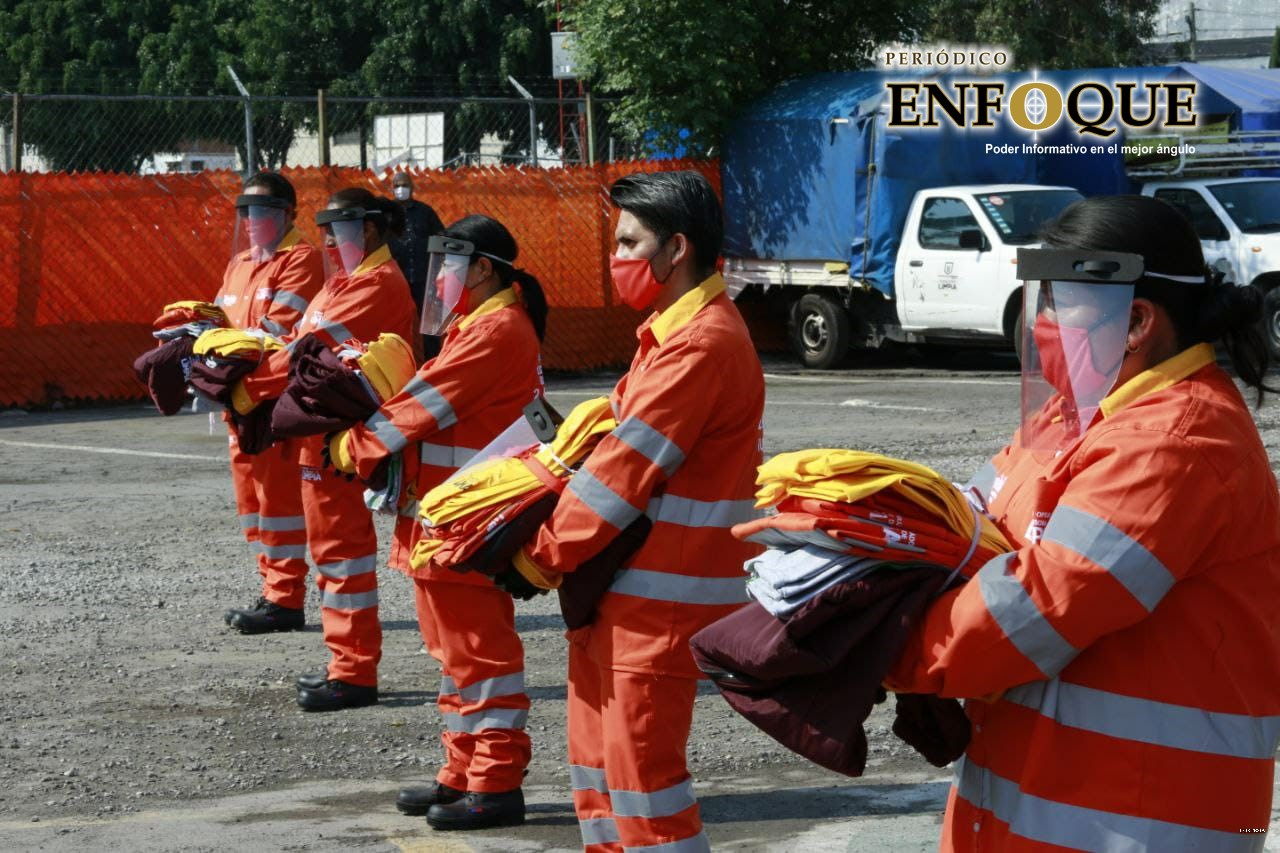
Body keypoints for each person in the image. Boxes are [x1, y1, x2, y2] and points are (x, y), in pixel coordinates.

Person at [886, 195, 1280, 851]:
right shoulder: (1073, 417)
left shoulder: (1176, 441)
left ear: (1136, 322)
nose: (1040, 322)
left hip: (1134, 818)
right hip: (1044, 804)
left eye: (1057, 302)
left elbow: (1034, 604)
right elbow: (967, 527)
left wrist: (885, 646)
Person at [510, 171, 765, 852]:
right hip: (623, 595)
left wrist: (539, 555)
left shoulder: (700, 342)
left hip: (657, 608)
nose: (616, 257)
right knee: (601, 784)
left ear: (675, 248)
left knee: (646, 793)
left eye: (628, 241)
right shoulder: (669, 332)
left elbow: (621, 475)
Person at [326, 214, 547, 829]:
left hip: (467, 523)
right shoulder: (475, 325)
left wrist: (353, 447)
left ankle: (496, 782)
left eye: (451, 262)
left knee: (480, 656)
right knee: (453, 657)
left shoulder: (496, 330)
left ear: (482, 269)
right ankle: (461, 772)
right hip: (444, 520)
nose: (440, 276)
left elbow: (425, 403)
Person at [234, 187, 418, 711]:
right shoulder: (344, 281)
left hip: (343, 439)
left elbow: (305, 353)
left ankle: (354, 672)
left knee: (342, 553)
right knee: (330, 551)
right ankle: (346, 665)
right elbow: (297, 345)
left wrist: (249, 385)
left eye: (341, 231)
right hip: (320, 434)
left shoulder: (377, 284)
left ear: (372, 231)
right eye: (329, 232)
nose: (332, 242)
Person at [219, 172, 324, 635]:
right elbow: (221, 324)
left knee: (278, 500)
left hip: (271, 398)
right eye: (246, 211)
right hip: (237, 399)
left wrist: (220, 356)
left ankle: (285, 599)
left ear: (288, 213)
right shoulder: (242, 262)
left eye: (263, 210)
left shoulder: (301, 259)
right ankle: (271, 589)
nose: (252, 219)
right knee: (252, 501)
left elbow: (278, 333)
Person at [388, 171, 446, 359]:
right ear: (391, 188)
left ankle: (432, 362)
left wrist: (440, 266)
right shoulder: (387, 214)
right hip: (397, 277)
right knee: (396, 321)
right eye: (397, 186)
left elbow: (441, 235)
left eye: (404, 185)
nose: (401, 189)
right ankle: (397, 361)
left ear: (412, 188)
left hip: (424, 276)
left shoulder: (425, 212)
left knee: (428, 323)